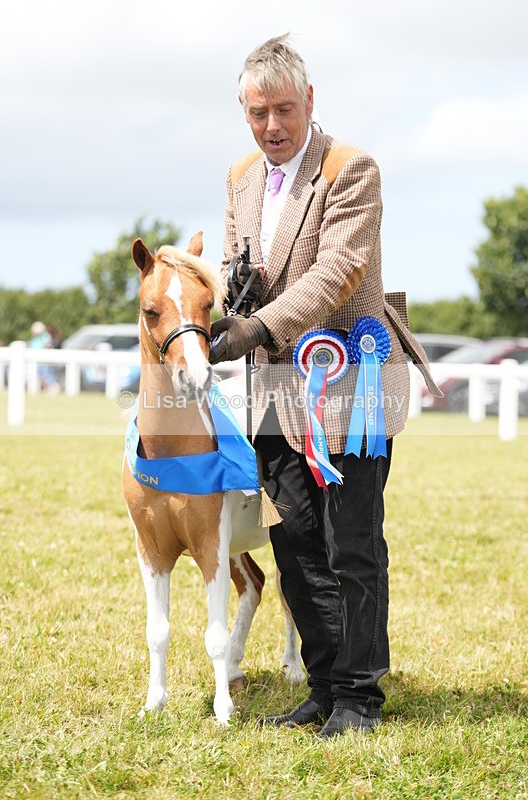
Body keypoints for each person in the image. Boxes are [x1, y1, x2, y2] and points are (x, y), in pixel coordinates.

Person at [210, 34, 440, 737]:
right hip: (272, 392)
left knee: (352, 546)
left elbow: (337, 271)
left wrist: (259, 325)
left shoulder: (350, 169)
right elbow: (242, 264)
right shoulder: (240, 176)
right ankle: (322, 686)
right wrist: (235, 291)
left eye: (283, 109)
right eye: (258, 112)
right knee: (294, 544)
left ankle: (359, 696)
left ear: (309, 101)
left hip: (350, 383)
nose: (271, 125)